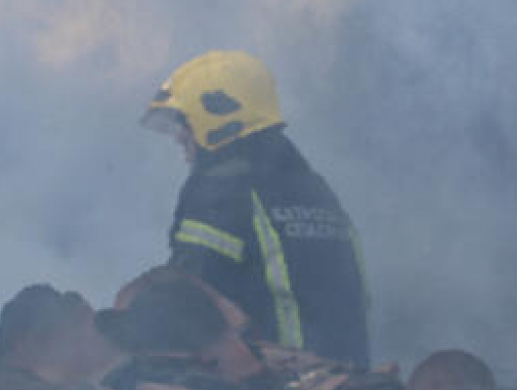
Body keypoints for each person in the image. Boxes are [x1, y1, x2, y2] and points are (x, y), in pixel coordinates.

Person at [140, 50, 370, 367]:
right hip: (350, 386)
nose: (180, 137)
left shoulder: (220, 192)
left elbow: (184, 297)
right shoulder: (313, 189)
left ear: (219, 118)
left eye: (186, 124)